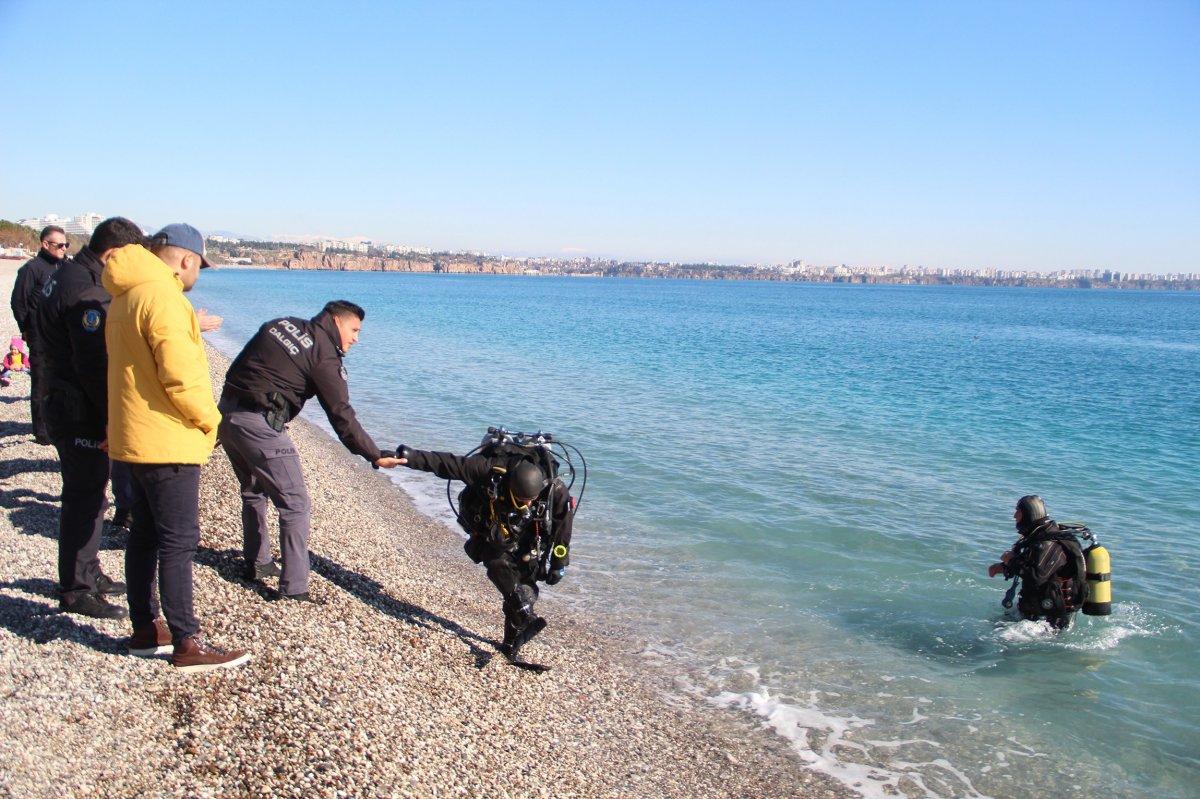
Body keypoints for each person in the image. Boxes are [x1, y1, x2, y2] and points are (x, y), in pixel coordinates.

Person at [104, 223, 249, 672]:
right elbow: (181, 377)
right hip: (167, 439)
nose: (197, 275)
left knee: (145, 534)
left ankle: (146, 629)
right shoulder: (165, 298)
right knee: (179, 540)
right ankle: (187, 641)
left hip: (134, 436)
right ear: (187, 260)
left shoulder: (125, 295)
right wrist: (212, 421)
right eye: (199, 267)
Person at [218, 300, 401, 601]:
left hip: (228, 416)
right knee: (295, 504)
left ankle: (258, 563)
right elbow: (342, 416)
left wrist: (224, 417)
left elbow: (241, 366)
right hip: (261, 428)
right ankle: (294, 588)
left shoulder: (280, 324)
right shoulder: (325, 357)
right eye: (354, 330)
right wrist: (374, 454)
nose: (356, 338)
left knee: (254, 490)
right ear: (336, 321)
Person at [36, 217, 146, 619]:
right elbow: (92, 365)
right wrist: (110, 422)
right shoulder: (87, 290)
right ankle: (77, 588)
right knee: (84, 498)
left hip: (62, 396)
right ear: (115, 253)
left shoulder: (67, 274)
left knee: (90, 495)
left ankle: (89, 571)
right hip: (78, 408)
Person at [397, 440, 575, 662]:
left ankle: (510, 643)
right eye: (523, 500)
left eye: (532, 500)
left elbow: (562, 529)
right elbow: (449, 464)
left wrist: (559, 563)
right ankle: (522, 613)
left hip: (529, 534)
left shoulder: (554, 491)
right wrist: (408, 457)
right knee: (498, 562)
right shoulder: (489, 470)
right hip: (494, 533)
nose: (528, 504)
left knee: (526, 589)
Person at [988, 495, 1087, 630]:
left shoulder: (1049, 543)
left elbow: (1036, 576)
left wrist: (1011, 560)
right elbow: (1028, 564)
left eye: (1018, 511)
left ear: (1029, 514)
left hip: (1050, 620)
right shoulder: (1037, 536)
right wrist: (1003, 567)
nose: (1014, 516)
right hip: (1035, 615)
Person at [10, 225, 71, 443]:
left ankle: (61, 421)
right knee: (42, 381)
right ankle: (42, 430)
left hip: (63, 333)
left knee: (64, 379)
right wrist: (26, 329)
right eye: (60, 245)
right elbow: (19, 302)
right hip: (39, 334)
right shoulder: (32, 269)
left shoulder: (66, 267)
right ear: (46, 244)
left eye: (66, 245)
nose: (64, 248)